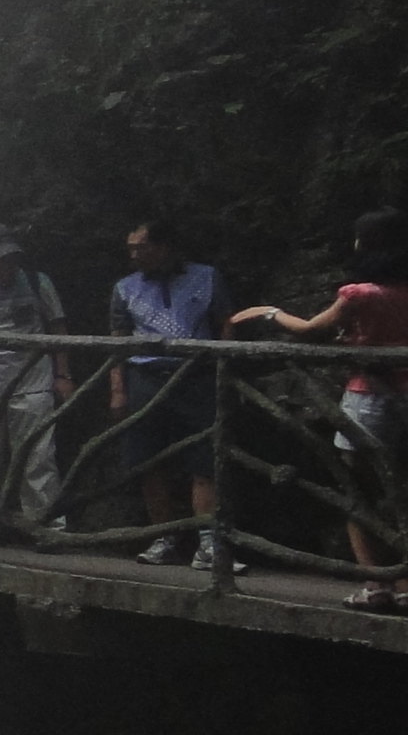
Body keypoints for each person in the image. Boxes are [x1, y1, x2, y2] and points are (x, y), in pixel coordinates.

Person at [233, 209, 408, 609]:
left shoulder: (360, 294)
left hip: (370, 398)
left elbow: (311, 328)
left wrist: (270, 313)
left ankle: (376, 584)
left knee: (357, 491)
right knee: (402, 491)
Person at [108, 218, 237, 571]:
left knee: (204, 459)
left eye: (142, 247)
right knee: (148, 460)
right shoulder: (126, 287)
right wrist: (117, 389)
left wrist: (224, 369)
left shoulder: (206, 277)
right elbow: (116, 340)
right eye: (131, 248)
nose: (135, 255)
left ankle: (208, 542)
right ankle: (163, 537)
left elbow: (225, 322)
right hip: (144, 375)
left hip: (196, 375)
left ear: (164, 246)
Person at [0, 222, 71, 532]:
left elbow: (58, 329)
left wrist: (63, 374)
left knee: (39, 456)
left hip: (34, 382)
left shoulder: (37, 283)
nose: (7, 264)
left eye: (11, 257)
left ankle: (45, 525)